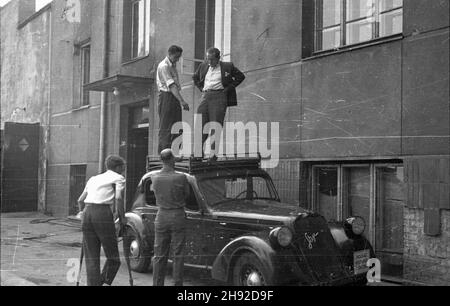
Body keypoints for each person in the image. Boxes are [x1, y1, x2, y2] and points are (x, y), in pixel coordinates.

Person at [77, 155, 126, 286]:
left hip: (87, 212)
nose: (124, 169)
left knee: (91, 257)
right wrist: (123, 218)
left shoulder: (94, 178)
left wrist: (82, 213)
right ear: (118, 167)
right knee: (114, 257)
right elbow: (119, 199)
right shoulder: (119, 178)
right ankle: (103, 281)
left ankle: (94, 284)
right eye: (123, 166)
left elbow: (80, 200)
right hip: (102, 213)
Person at [193, 47, 245, 159]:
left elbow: (241, 76)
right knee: (200, 123)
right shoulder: (203, 66)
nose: (210, 62)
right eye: (208, 59)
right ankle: (198, 153)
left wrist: (229, 88)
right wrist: (201, 88)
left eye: (212, 59)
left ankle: (213, 154)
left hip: (219, 96)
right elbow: (195, 77)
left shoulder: (227, 66)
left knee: (215, 125)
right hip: (205, 96)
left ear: (218, 58)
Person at [150, 149, 190, 286]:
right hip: (177, 214)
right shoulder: (181, 177)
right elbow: (187, 194)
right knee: (178, 254)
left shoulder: (154, 177)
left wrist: (172, 160)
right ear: (172, 159)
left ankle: (157, 284)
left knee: (159, 254)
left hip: (161, 215)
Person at [157, 45, 190, 154]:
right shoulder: (164, 66)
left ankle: (174, 153)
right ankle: (164, 155)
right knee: (166, 128)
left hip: (173, 97)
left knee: (177, 126)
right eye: (176, 57)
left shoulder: (172, 65)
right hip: (166, 97)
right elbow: (171, 86)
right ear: (170, 54)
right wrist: (182, 101)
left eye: (179, 57)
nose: (178, 59)